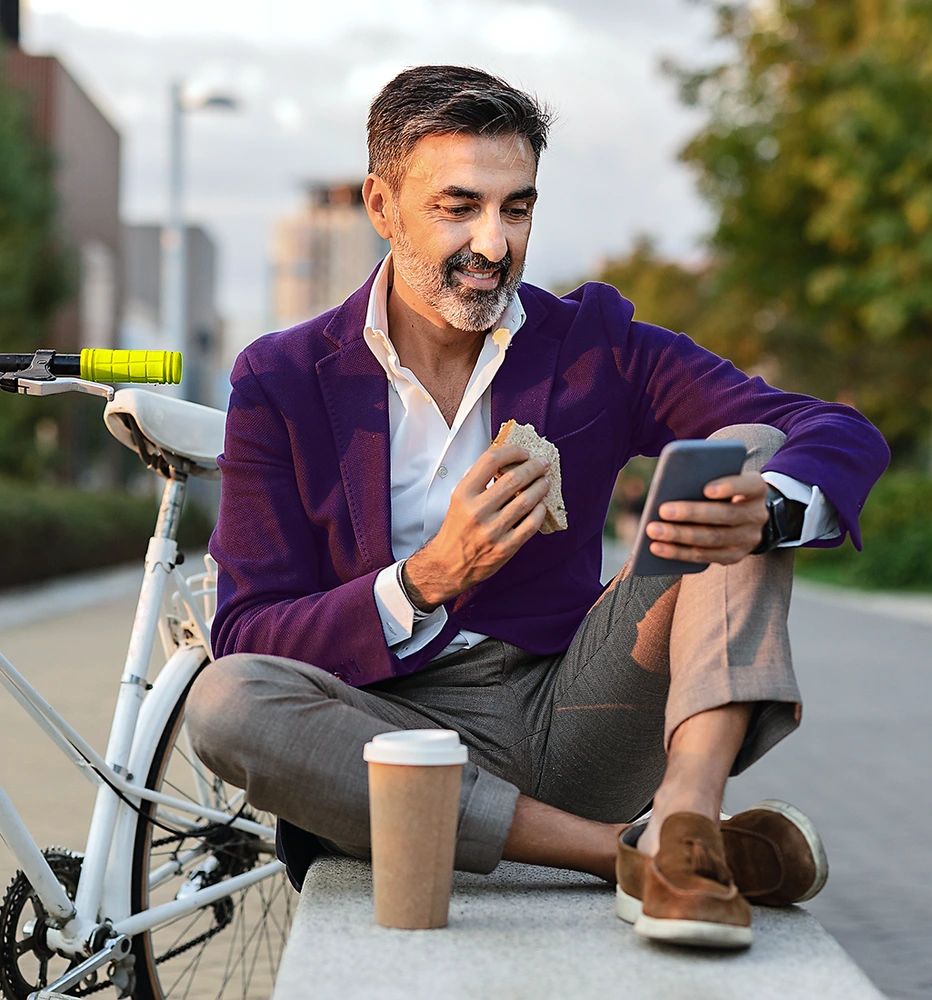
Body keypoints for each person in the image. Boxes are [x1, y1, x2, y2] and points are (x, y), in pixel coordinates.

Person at [186, 65, 889, 949]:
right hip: (389, 741)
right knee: (223, 700)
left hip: (578, 709)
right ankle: (631, 857)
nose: (493, 243)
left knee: (738, 476)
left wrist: (772, 511)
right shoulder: (281, 378)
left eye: (516, 208)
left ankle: (685, 816)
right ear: (382, 204)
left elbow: (826, 428)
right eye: (458, 206)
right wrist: (428, 577)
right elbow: (250, 634)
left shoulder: (594, 345)